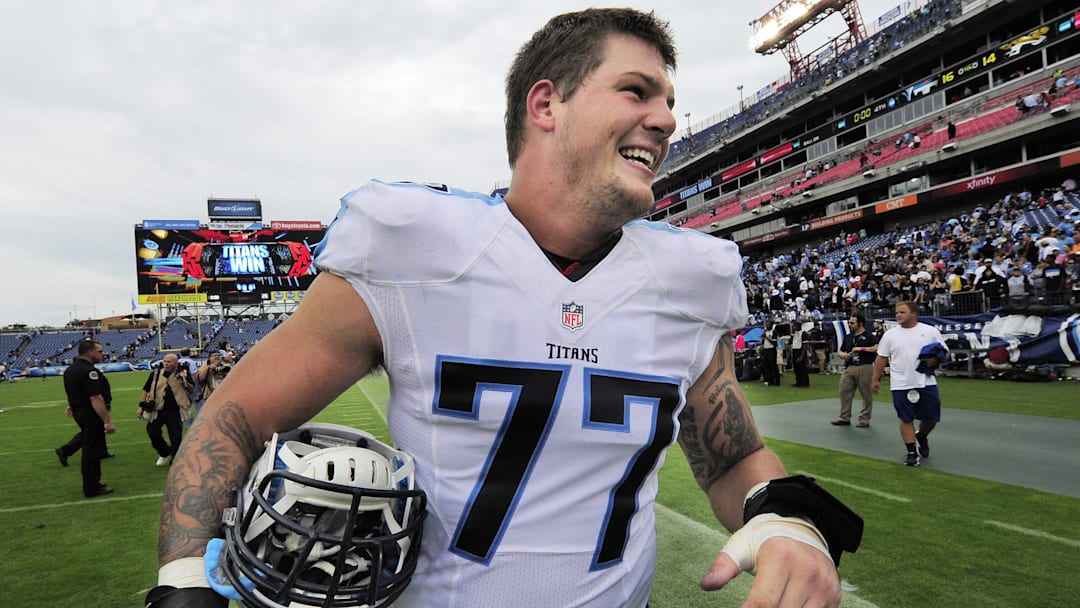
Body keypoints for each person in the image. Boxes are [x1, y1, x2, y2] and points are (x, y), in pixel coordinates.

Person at [146, 9, 860, 608]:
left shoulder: (689, 279)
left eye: (670, 101)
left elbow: (732, 455)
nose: (666, 119)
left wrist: (786, 518)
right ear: (546, 104)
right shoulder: (411, 248)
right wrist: (184, 581)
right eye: (638, 91)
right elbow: (234, 420)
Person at [871, 301, 948, 466]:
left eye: (902, 312)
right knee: (906, 418)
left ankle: (922, 436)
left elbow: (944, 352)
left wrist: (935, 360)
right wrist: (875, 379)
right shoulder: (890, 335)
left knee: (931, 418)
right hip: (900, 384)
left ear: (914, 313)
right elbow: (881, 358)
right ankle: (912, 452)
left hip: (926, 382)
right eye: (897, 312)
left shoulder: (930, 331)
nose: (898, 315)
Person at [61, 340, 116, 498]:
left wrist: (72, 405)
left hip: (79, 412)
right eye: (99, 350)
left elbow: (75, 392)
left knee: (90, 448)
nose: (102, 353)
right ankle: (92, 487)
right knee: (92, 451)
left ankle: (93, 484)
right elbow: (95, 398)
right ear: (90, 352)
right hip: (90, 414)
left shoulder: (70, 369)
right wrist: (107, 421)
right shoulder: (89, 371)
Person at [138, 353, 194, 467]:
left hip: (175, 410)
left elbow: (192, 389)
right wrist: (141, 407)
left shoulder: (183, 373)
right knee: (152, 432)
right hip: (157, 408)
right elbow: (146, 389)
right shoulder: (156, 374)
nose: (166, 363)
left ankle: (175, 458)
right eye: (165, 361)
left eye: (169, 362)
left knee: (175, 435)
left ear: (176, 363)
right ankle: (164, 452)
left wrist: (184, 379)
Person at [831, 313, 878, 427]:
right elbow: (841, 350)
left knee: (866, 394)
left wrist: (861, 349)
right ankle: (844, 417)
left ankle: (864, 419)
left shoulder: (869, 336)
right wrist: (843, 355)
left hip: (864, 366)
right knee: (844, 391)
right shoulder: (849, 336)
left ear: (860, 323)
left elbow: (877, 348)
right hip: (850, 367)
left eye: (852, 322)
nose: (850, 324)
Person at [790, 321, 811, 387]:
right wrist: (792, 334)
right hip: (794, 350)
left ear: (798, 326)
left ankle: (805, 382)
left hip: (801, 350)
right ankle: (798, 381)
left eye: (794, 326)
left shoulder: (803, 333)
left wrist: (802, 356)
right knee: (796, 368)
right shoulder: (794, 333)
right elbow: (789, 342)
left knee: (802, 367)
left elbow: (805, 345)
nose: (793, 327)